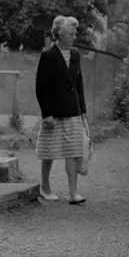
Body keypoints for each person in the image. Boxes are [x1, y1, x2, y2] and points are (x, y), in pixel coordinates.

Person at [34, 14, 89, 205]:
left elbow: (79, 83)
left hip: (72, 110)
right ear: (61, 34)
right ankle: (45, 187)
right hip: (54, 114)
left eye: (75, 33)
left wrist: (82, 110)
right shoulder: (48, 56)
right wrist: (46, 114)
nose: (75, 36)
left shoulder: (75, 54)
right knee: (49, 152)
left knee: (73, 151)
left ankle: (73, 192)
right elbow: (41, 87)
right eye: (71, 33)